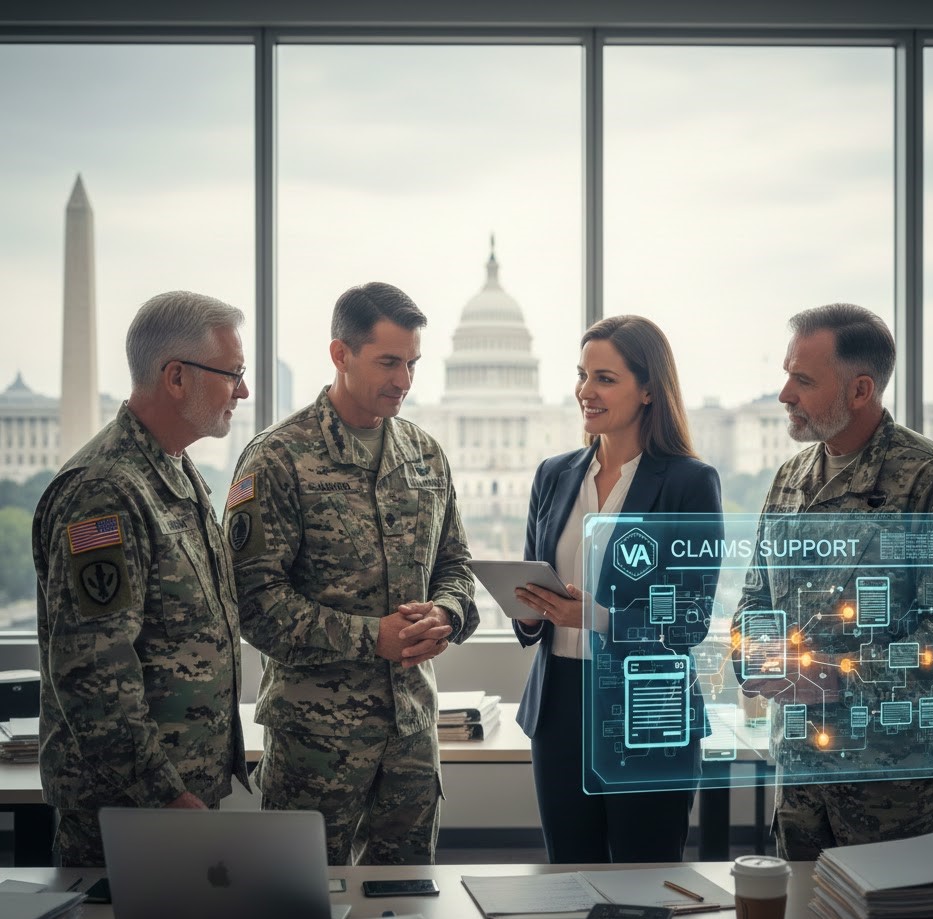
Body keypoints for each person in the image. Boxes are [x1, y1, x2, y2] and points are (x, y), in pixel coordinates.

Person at [734, 302, 933, 860]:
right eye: (787, 375)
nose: (786, 394)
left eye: (803, 380)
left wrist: (839, 680)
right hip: (801, 775)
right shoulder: (791, 478)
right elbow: (757, 596)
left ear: (861, 390)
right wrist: (753, 651)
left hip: (897, 787)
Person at [224, 281, 478, 866]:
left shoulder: (425, 454)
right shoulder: (276, 458)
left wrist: (448, 613)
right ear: (341, 355)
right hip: (317, 745)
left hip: (412, 735)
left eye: (412, 363)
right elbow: (254, 602)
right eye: (389, 362)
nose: (404, 381)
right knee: (300, 902)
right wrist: (374, 639)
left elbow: (455, 565)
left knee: (408, 902)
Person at [32, 290, 251, 867]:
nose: (244, 392)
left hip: (180, 796)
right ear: (176, 377)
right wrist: (165, 795)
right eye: (233, 374)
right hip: (132, 810)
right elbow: (93, 671)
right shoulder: (105, 490)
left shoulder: (176, 471)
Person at [512, 314, 724, 863]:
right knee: (570, 874)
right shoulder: (553, 475)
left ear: (649, 388)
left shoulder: (688, 483)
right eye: (582, 375)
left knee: (645, 878)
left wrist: (599, 616)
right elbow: (531, 595)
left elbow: (690, 620)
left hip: (646, 708)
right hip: (559, 706)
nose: (586, 391)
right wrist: (533, 612)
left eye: (605, 378)